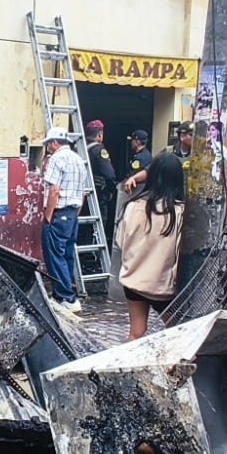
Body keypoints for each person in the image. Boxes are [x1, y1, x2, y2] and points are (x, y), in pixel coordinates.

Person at [117, 152, 185, 341]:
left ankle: (129, 369)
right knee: (176, 332)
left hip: (133, 281)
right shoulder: (181, 213)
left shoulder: (133, 206)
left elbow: (120, 242)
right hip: (161, 286)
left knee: (136, 333)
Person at [40, 127, 91, 314]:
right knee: (66, 254)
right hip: (72, 214)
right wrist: (75, 214)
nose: (48, 147)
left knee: (54, 255)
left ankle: (65, 297)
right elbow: (84, 193)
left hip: (58, 212)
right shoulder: (79, 160)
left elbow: (54, 190)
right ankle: (68, 294)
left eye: (48, 143)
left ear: (54, 143)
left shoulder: (56, 159)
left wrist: (48, 215)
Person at [84, 119, 118, 250]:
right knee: (98, 227)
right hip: (98, 195)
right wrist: (111, 190)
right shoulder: (99, 150)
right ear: (99, 135)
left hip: (82, 194)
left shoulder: (79, 148)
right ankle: (94, 256)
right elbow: (109, 174)